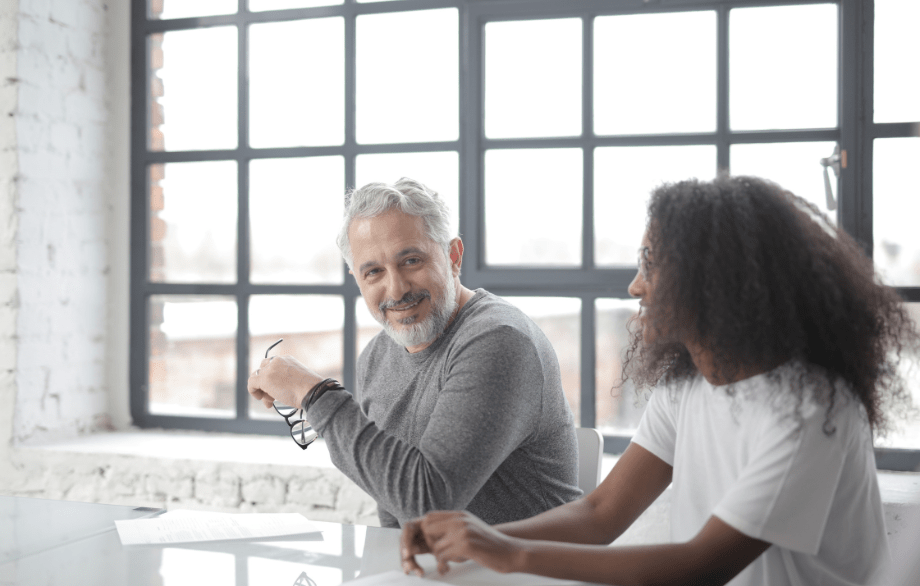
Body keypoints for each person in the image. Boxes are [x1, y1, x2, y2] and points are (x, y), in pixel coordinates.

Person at [401, 176, 918, 586]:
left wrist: (509, 553)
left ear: (716, 280)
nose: (635, 285)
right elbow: (602, 514)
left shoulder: (813, 411)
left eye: (650, 263)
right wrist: (471, 537)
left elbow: (701, 567)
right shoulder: (687, 384)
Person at [248, 177, 582, 528]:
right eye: (374, 271)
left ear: (453, 256)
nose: (397, 289)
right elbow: (396, 513)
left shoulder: (500, 340)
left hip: (525, 575)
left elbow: (428, 505)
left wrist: (314, 394)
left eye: (411, 261)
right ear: (356, 279)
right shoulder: (376, 358)